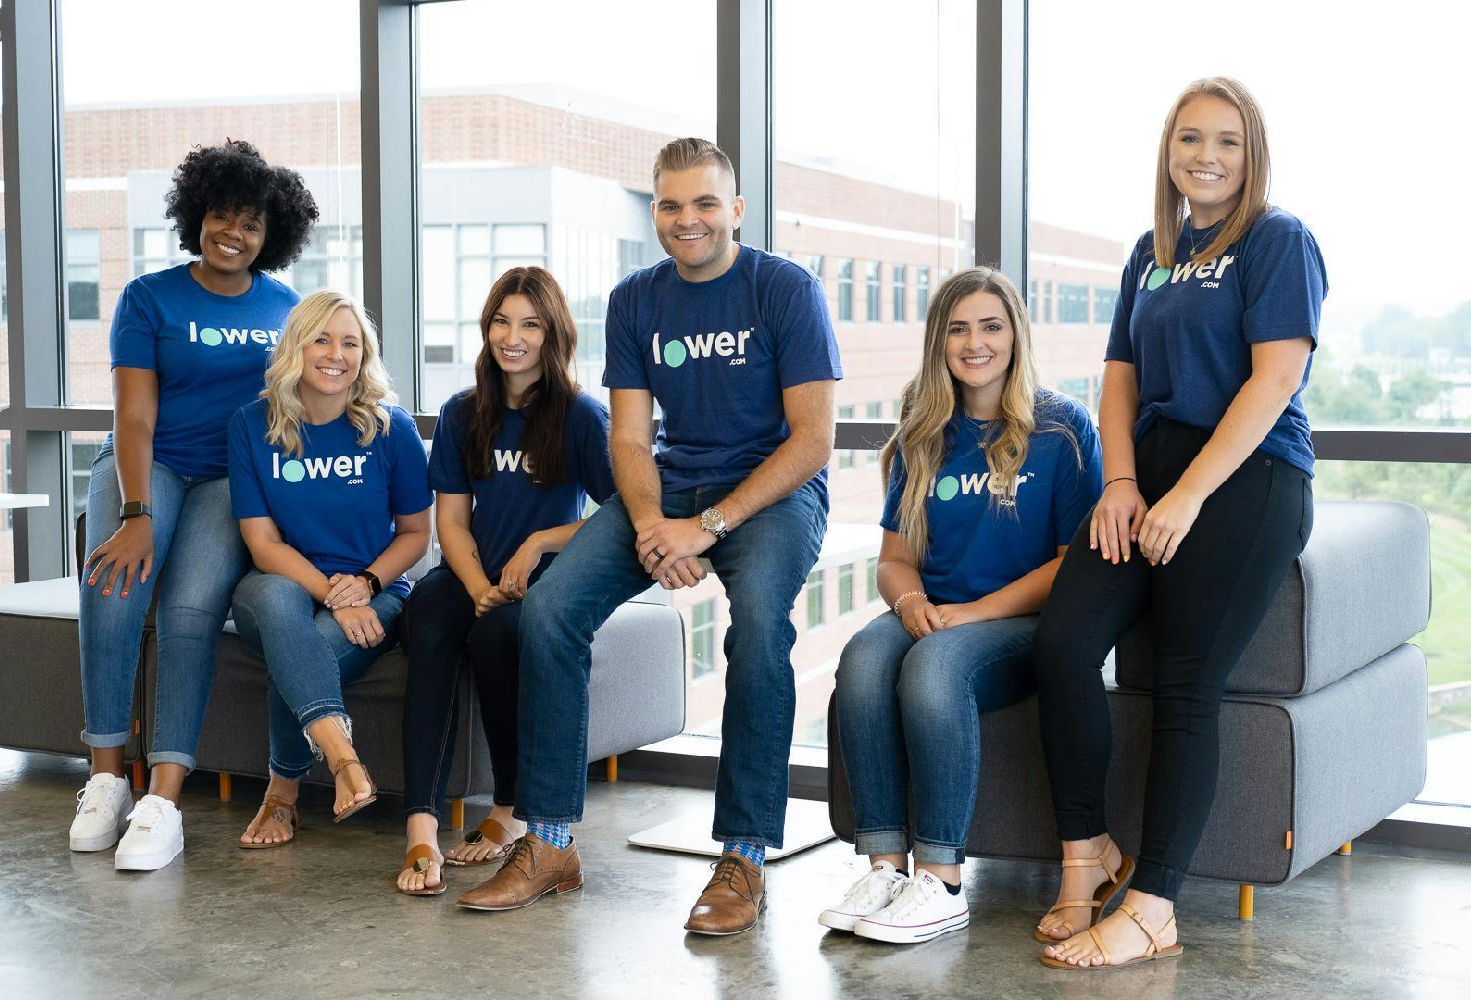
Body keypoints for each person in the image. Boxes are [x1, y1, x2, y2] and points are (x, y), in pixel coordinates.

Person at [455, 138, 841, 935]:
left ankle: (743, 857)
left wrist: (705, 528)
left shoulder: (785, 290)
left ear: (735, 209)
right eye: (670, 205)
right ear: (655, 211)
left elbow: (811, 442)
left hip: (771, 494)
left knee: (761, 630)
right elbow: (630, 441)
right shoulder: (635, 300)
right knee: (551, 610)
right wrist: (651, 527)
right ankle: (552, 840)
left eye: (705, 203)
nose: (687, 219)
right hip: (669, 492)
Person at [1035, 77, 1325, 970]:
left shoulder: (1277, 241)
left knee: (1185, 682)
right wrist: (1120, 482)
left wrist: (1189, 496)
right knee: (1063, 642)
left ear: (1254, 154)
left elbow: (1273, 379)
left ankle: (1156, 906)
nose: (1207, 156)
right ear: (1169, 151)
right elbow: (1118, 377)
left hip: (1248, 473)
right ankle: (1089, 853)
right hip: (1150, 467)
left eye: (1228, 142)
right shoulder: (1151, 250)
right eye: (1191, 138)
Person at [821, 268, 1101, 945]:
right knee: (861, 659)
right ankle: (886, 869)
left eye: (991, 326)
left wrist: (974, 614)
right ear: (939, 342)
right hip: (938, 610)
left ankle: (941, 879)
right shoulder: (927, 429)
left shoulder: (1061, 429)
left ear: (1016, 335)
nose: (975, 343)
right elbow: (894, 560)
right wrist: (911, 601)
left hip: (1022, 627)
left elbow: (1075, 564)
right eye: (959, 329)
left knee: (935, 667)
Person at [70, 140, 317, 872]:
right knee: (113, 587)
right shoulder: (149, 298)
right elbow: (135, 417)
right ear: (195, 215)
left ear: (272, 235)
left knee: (190, 612)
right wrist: (138, 514)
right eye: (221, 215)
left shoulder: (287, 309)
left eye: (251, 223)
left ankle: (164, 799)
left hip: (227, 479)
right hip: (148, 463)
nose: (233, 233)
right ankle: (108, 777)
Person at [394, 267, 615, 897]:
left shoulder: (579, 417)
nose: (511, 337)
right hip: (472, 570)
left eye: (529, 324)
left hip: (546, 581)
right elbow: (452, 522)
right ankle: (421, 824)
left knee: (497, 635)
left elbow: (619, 517)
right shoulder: (465, 412)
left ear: (553, 334)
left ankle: (511, 808)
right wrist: (474, 586)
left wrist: (538, 542)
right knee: (430, 624)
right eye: (500, 321)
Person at [226, 290, 431, 848]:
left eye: (351, 343)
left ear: (364, 356)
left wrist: (364, 585)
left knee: (294, 644)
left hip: (377, 588)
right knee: (276, 604)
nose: (336, 354)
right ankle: (342, 756)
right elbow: (263, 543)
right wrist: (333, 593)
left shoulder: (392, 429)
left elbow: (416, 534)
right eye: (322, 338)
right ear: (297, 346)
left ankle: (281, 798)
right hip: (282, 582)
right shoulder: (252, 425)